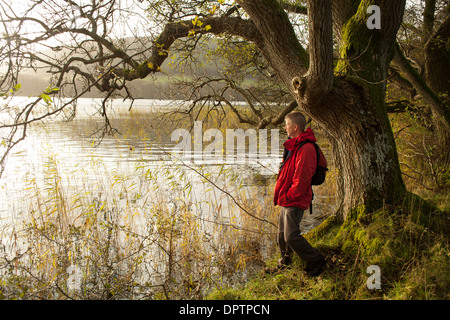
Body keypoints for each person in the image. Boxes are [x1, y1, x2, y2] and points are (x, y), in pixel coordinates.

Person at [273, 111, 326, 276]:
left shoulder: (306, 148)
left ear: (295, 127)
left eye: (287, 124)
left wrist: (290, 196)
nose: (285, 127)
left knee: (291, 236)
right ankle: (285, 264)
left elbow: (302, 177)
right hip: (287, 197)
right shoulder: (293, 145)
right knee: (281, 235)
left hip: (295, 198)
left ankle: (316, 260)